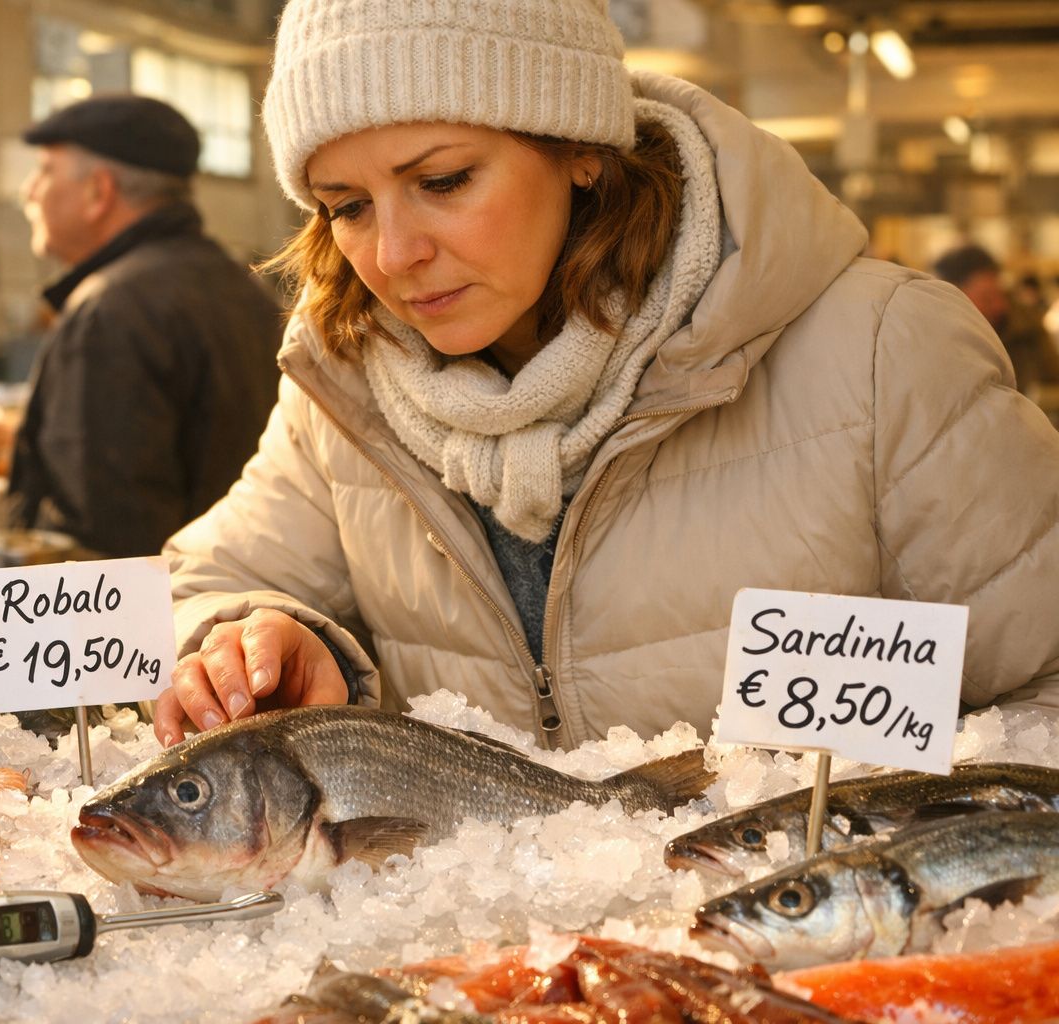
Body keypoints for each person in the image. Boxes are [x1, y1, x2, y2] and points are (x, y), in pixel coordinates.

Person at [152, 0, 1059, 749]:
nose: (392, 254)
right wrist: (262, 638)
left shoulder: (880, 348)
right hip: (503, 966)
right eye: (346, 206)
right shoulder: (347, 386)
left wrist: (860, 869)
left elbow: (1044, 691)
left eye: (444, 181)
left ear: (578, 146)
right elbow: (207, 581)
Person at [10, 94, 282, 558]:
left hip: (148, 617)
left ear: (99, 191)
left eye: (45, 170)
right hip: (237, 593)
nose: (29, 191)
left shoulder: (110, 309)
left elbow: (102, 533)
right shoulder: (241, 284)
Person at [932, 243, 1059, 398]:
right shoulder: (936, 344)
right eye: (987, 298)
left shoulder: (1028, 330)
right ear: (953, 300)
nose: (1000, 306)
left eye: (1000, 294)